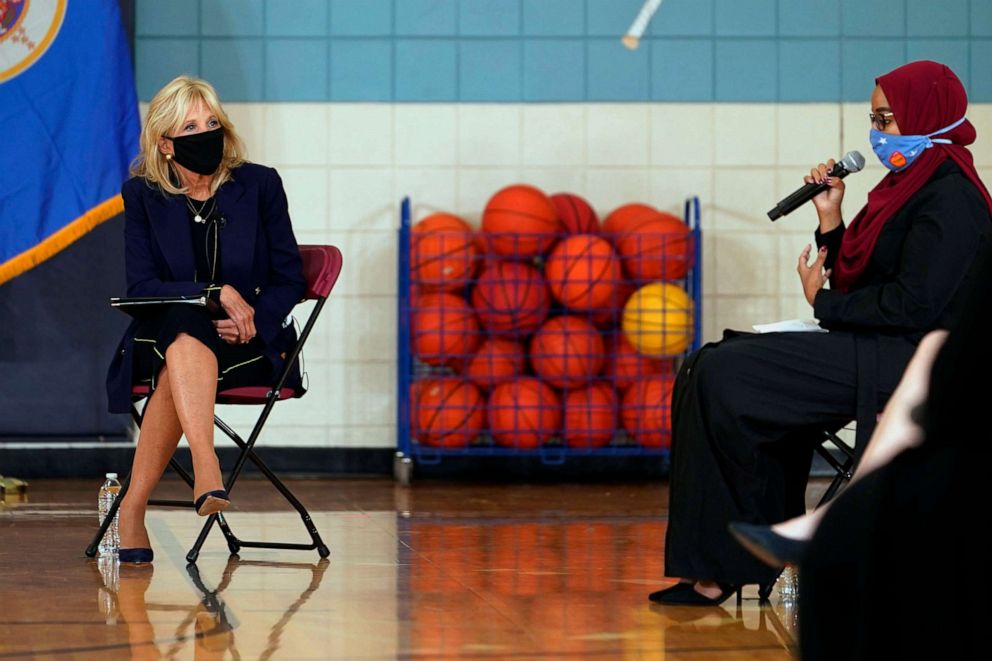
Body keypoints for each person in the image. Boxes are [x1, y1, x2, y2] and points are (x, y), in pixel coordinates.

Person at [650, 60, 992, 606]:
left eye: (889, 118)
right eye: (873, 118)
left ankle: (730, 566)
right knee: (708, 365)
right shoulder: (906, 186)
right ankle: (724, 562)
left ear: (929, 115)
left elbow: (913, 305)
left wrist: (824, 302)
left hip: (911, 362)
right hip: (875, 345)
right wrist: (830, 217)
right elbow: (867, 275)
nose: (877, 133)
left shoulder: (953, 198)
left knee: (726, 374)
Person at [105, 76, 306, 564]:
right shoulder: (143, 197)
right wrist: (212, 294)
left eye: (212, 121)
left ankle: (134, 507)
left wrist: (255, 318)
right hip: (170, 338)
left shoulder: (260, 185)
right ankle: (206, 462)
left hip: (249, 347)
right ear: (166, 145)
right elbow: (142, 288)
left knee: (178, 365)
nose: (207, 132)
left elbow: (290, 278)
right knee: (184, 325)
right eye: (191, 126)